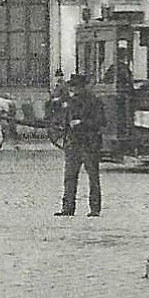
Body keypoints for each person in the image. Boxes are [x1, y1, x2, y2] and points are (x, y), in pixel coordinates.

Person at [56, 74, 104, 218]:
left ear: (83, 87)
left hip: (89, 144)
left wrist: (81, 123)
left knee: (93, 177)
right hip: (73, 144)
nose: (73, 89)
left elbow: (101, 121)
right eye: (72, 87)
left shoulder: (94, 102)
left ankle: (95, 209)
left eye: (76, 87)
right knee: (69, 177)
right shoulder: (70, 102)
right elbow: (64, 121)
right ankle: (67, 208)